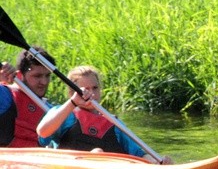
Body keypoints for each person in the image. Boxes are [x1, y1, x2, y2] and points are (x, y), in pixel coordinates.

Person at [36, 65, 172, 164]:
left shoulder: (113, 123)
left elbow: (139, 155)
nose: (92, 94)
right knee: (97, 153)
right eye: (85, 90)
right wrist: (72, 102)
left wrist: (157, 162)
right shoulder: (64, 113)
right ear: (72, 93)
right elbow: (43, 132)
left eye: (95, 88)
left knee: (164, 160)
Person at [0, 47, 55, 147]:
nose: (44, 82)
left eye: (47, 76)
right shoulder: (5, 95)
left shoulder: (51, 110)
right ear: (20, 75)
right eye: (37, 76)